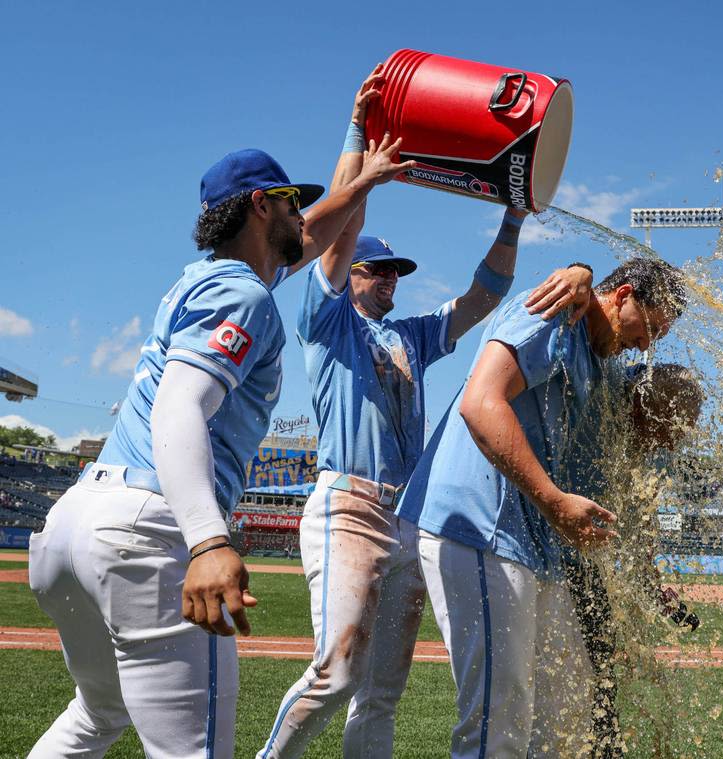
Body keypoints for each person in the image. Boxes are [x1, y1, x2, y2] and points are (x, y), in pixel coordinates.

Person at [26, 140, 405, 758]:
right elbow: (180, 405)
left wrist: (359, 157)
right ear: (262, 206)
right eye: (290, 204)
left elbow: (317, 233)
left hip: (73, 525)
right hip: (148, 529)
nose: (301, 217)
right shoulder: (245, 296)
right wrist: (208, 539)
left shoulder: (207, 278)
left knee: (96, 715)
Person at [258, 70, 595, 759]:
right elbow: (332, 239)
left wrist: (511, 215)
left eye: (396, 273)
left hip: (407, 515)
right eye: (378, 270)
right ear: (351, 273)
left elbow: (481, 296)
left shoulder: (408, 335)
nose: (389, 279)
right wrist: (360, 150)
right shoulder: (327, 321)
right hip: (347, 504)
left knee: (381, 691)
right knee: (336, 673)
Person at [397, 257, 687, 758]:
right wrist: (554, 501)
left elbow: (651, 395)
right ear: (622, 298)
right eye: (650, 328)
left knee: (567, 709)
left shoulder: (598, 357)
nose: (648, 345)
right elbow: (480, 402)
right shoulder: (553, 311)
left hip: (533, 543)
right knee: (499, 721)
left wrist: (583, 268)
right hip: (481, 528)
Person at [557, 362, 704, 758]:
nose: (673, 444)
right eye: (671, 430)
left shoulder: (643, 444)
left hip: (585, 561)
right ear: (646, 410)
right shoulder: (598, 400)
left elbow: (639, 527)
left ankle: (603, 747)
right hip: (548, 553)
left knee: (601, 664)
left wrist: (653, 589)